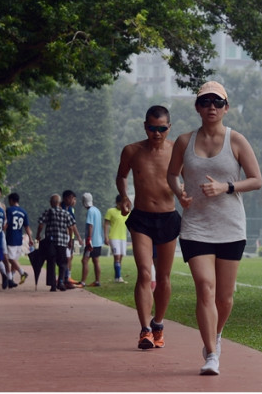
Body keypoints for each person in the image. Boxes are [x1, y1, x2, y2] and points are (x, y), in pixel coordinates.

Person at [167, 81, 262, 375]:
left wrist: (227, 186)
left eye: (217, 102)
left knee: (224, 297)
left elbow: (256, 179)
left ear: (226, 108)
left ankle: (216, 334)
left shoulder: (237, 141)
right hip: (196, 227)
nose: (211, 107)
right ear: (197, 107)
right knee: (204, 289)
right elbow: (172, 174)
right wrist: (179, 192)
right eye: (206, 102)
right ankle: (211, 354)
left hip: (231, 227)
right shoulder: (184, 141)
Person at [116, 105, 181, 350]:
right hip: (141, 217)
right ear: (145, 126)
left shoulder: (177, 151)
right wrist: (124, 196)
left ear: (169, 128)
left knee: (163, 277)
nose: (157, 133)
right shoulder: (132, 151)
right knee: (145, 273)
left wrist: (186, 194)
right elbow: (121, 176)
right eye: (152, 128)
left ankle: (158, 324)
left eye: (162, 128)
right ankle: (144, 330)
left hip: (168, 217)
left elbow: (189, 177)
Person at [36, 193, 81, 292]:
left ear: (51, 203)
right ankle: (60, 281)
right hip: (62, 243)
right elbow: (71, 227)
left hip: (51, 242)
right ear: (59, 202)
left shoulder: (48, 212)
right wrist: (69, 240)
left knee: (51, 262)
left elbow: (41, 224)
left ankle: (53, 285)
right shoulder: (66, 213)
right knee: (63, 263)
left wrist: (38, 235)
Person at [5, 193, 34, 286]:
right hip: (19, 238)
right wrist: (30, 238)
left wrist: (0, 231)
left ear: (11, 200)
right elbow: (27, 227)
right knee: (14, 259)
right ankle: (11, 279)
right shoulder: (23, 211)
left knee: (10, 258)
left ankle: (22, 272)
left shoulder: (9, 210)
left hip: (11, 237)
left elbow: (7, 224)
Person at [104, 194, 129, 283]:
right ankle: (119, 277)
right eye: (120, 203)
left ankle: (117, 277)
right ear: (117, 203)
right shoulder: (111, 211)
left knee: (121, 257)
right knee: (117, 256)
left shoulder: (126, 212)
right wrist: (106, 236)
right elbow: (106, 224)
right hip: (114, 237)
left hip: (123, 237)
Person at [80, 192, 103, 287]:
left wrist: (89, 239)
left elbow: (90, 225)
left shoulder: (90, 211)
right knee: (96, 261)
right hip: (98, 241)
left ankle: (83, 282)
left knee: (85, 260)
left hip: (92, 241)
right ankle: (97, 281)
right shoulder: (97, 210)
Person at [61, 190, 81, 288]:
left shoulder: (69, 209)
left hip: (68, 237)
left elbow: (73, 225)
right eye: (72, 198)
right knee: (65, 258)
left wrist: (78, 237)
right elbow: (68, 225)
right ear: (67, 198)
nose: (73, 200)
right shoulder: (61, 208)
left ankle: (66, 278)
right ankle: (63, 279)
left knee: (68, 258)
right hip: (62, 237)